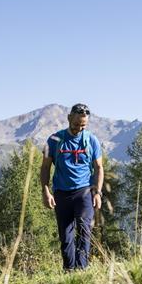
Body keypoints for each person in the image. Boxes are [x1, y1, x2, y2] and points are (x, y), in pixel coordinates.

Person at [40, 103, 103, 271]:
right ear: (68, 118)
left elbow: (99, 168)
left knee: (84, 231)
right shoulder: (54, 140)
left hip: (84, 192)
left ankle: (81, 270)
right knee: (66, 236)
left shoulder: (91, 140)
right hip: (61, 194)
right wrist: (46, 191)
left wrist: (97, 192)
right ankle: (69, 270)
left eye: (83, 125)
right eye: (76, 124)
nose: (79, 129)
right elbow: (45, 167)